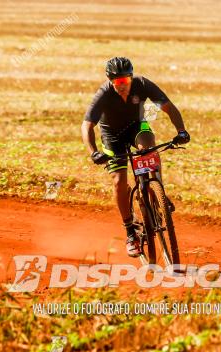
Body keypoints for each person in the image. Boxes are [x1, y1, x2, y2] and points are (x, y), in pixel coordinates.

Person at [81, 57, 190, 257]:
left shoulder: (142, 84)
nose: (123, 86)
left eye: (126, 81)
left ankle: (157, 190)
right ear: (111, 81)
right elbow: (87, 125)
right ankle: (131, 231)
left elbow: (168, 107)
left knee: (148, 146)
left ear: (131, 78)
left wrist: (181, 131)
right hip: (111, 135)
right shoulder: (103, 94)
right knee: (119, 181)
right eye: (118, 82)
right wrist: (93, 152)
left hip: (137, 127)